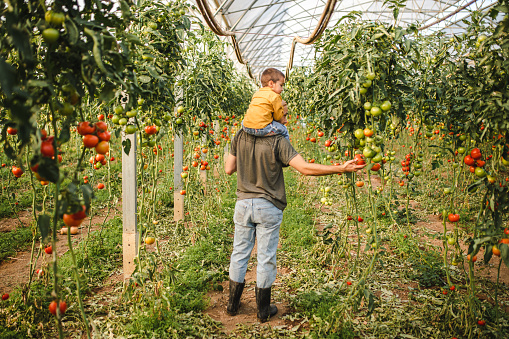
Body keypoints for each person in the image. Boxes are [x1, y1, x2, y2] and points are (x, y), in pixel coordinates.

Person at [224, 107, 366, 322]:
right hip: (268, 207)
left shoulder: (240, 135)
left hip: (243, 205)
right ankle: (263, 310)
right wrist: (341, 169)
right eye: (284, 114)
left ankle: (232, 305)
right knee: (265, 258)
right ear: (273, 114)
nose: (287, 117)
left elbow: (228, 168)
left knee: (239, 253)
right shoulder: (278, 140)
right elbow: (305, 169)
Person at [241, 68, 289, 140]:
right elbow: (278, 117)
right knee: (284, 130)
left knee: (244, 120)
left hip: (246, 127)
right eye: (281, 85)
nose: (282, 89)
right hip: (262, 128)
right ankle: (287, 150)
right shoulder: (275, 96)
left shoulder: (257, 94)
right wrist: (280, 106)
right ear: (271, 84)